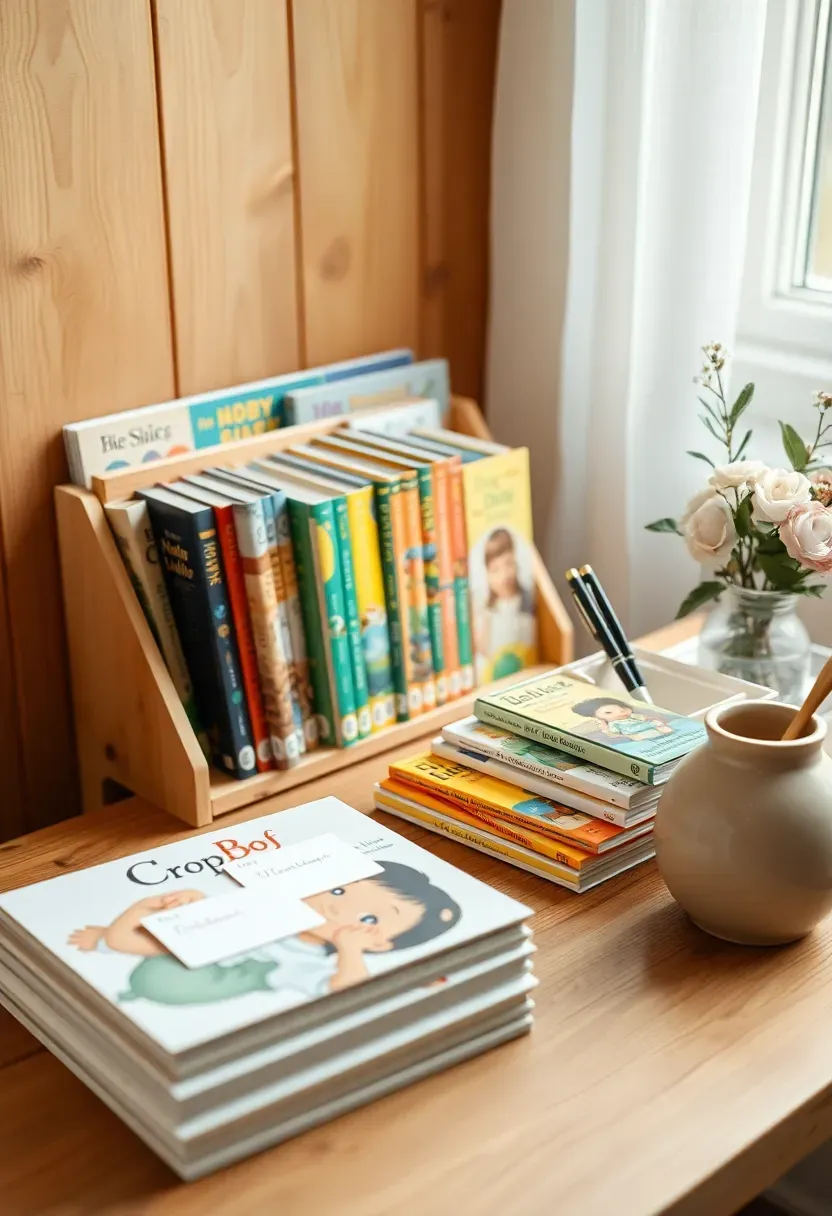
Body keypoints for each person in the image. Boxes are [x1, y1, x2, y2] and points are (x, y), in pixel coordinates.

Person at [68, 862, 461, 1007]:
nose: (334, 907)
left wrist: (350, 951)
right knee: (180, 921)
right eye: (338, 890)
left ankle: (116, 937)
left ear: (380, 943)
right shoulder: (266, 909)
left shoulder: (305, 965)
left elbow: (348, 993)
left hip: (200, 983)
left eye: (369, 919)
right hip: (181, 961)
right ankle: (127, 926)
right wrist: (184, 904)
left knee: (185, 953)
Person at [474, 527, 535, 681]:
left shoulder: (526, 601)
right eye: (495, 570)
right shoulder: (489, 610)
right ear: (486, 574)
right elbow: (483, 649)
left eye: (509, 564)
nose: (504, 575)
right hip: (497, 678)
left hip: (525, 672)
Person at [571, 696, 675, 743]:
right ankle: (651, 734)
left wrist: (652, 720)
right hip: (630, 731)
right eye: (608, 713)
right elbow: (612, 734)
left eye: (621, 710)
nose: (619, 713)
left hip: (642, 725)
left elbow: (645, 718)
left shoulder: (633, 716)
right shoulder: (613, 724)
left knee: (655, 724)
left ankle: (661, 731)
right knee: (638, 736)